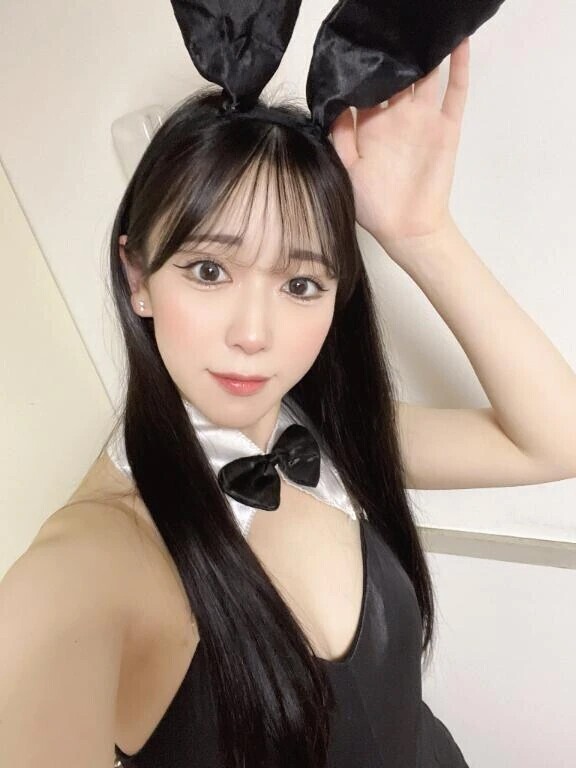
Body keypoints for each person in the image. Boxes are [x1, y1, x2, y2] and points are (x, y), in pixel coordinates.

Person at [4, 2, 576, 767]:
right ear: (137, 277)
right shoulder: (90, 568)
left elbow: (554, 440)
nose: (254, 334)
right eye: (209, 271)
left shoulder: (328, 431)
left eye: (300, 284)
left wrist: (422, 234)